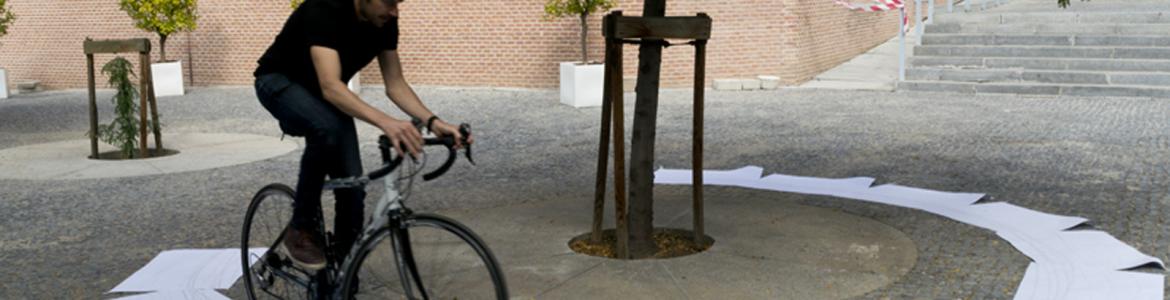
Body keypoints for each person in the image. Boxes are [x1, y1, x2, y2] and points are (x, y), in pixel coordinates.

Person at [253, 0, 470, 270]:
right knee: (326, 128)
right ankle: (300, 228)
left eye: (398, 3)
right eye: (389, 2)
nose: (394, 11)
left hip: (325, 98)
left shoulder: (386, 20)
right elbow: (331, 86)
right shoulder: (325, 9)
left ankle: (343, 285)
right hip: (279, 81)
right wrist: (386, 122)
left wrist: (434, 122)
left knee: (353, 189)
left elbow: (396, 83)